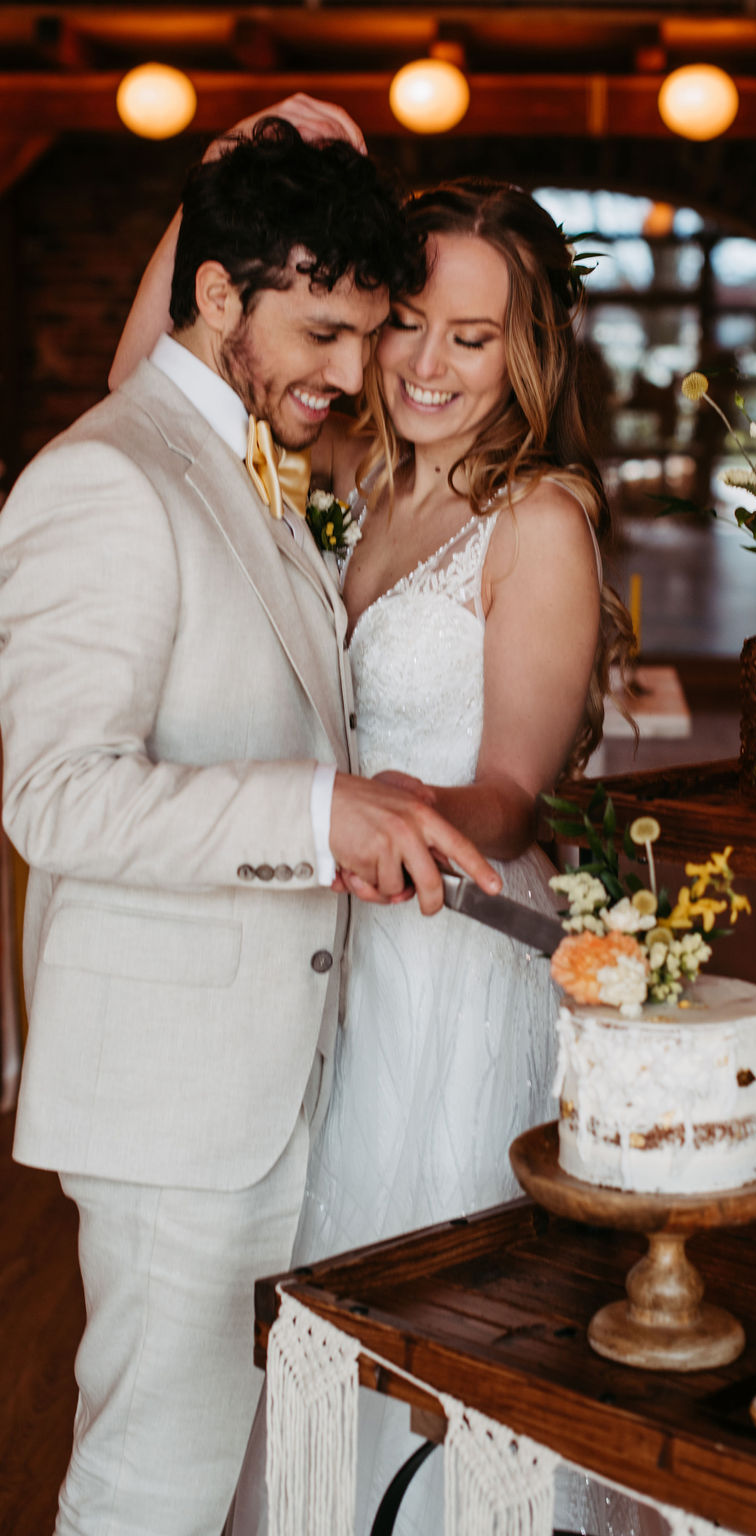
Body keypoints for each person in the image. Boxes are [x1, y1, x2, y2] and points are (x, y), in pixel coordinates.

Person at [0, 118, 500, 1536]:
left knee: (238, 1468)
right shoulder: (108, 476)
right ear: (218, 293)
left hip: (267, 1070)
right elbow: (52, 792)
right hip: (174, 1092)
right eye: (320, 331)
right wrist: (314, 811)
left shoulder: (240, 460)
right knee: (152, 1475)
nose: (348, 373)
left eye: (363, 337)